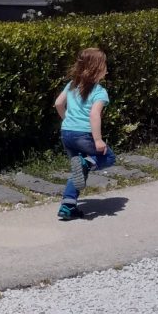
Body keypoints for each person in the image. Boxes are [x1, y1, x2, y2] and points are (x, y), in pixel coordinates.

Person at [53, 47, 117, 221]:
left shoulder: (72, 85)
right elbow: (94, 115)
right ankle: (85, 163)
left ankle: (68, 207)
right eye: (105, 65)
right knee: (109, 157)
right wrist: (98, 140)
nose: (106, 69)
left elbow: (58, 104)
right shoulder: (99, 92)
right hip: (84, 135)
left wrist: (67, 120)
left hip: (67, 133)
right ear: (98, 69)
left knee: (78, 172)